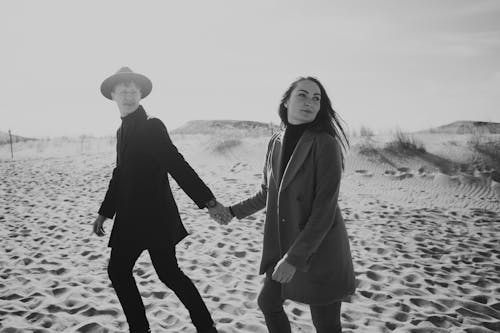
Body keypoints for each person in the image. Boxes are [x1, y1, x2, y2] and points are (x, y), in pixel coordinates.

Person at [92, 67, 226, 333]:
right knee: (120, 272)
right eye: (123, 91)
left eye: (133, 91)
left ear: (141, 94)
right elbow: (120, 174)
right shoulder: (122, 130)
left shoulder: (151, 125)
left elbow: (177, 165)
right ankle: (143, 329)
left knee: (167, 273)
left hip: (155, 218)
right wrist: (105, 212)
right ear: (113, 95)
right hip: (130, 218)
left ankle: (204, 325)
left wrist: (209, 202)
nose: (128, 95)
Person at [217, 77, 356, 333]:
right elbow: (266, 194)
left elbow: (324, 212)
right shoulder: (275, 142)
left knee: (326, 325)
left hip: (319, 249)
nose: (310, 102)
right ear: (286, 101)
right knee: (268, 302)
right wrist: (232, 212)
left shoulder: (325, 143)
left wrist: (293, 259)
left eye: (317, 98)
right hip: (284, 243)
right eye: (302, 95)